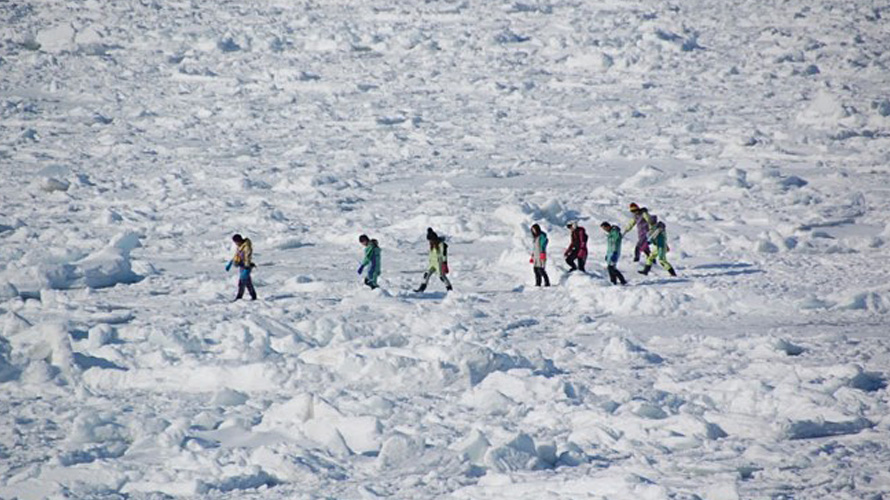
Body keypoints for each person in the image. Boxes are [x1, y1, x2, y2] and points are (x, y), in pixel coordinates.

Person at [414, 228, 453, 292]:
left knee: (442, 276)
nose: (430, 242)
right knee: (427, 274)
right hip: (432, 263)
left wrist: (444, 263)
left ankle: (449, 289)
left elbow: (444, 254)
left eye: (431, 240)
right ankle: (421, 289)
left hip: (439, 263)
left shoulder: (441, 245)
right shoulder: (432, 245)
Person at [225, 234, 257, 300]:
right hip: (242, 266)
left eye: (236, 242)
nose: (235, 243)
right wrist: (231, 262)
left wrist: (247, 267)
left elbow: (247, 257)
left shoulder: (246, 247)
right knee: (248, 283)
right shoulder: (240, 246)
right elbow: (237, 255)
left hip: (245, 267)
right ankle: (253, 296)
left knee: (242, 282)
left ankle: (239, 297)